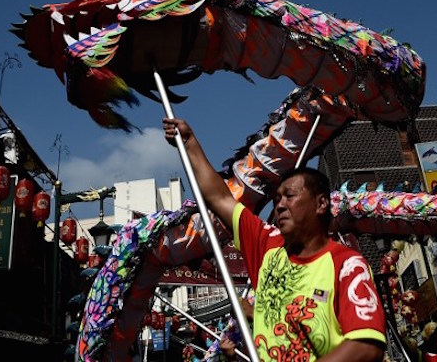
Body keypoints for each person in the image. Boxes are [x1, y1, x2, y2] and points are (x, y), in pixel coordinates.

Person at [163, 117, 386, 361]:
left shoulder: (347, 265)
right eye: (277, 199)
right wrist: (189, 143)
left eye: (289, 196)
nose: (280, 205)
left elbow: (366, 345)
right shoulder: (267, 245)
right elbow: (220, 199)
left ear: (321, 203)